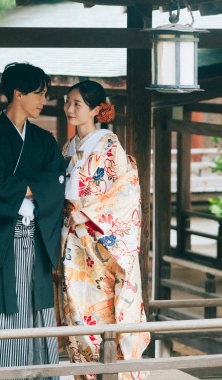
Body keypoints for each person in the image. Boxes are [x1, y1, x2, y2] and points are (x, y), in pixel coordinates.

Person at [0, 62, 66, 380]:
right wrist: (34, 186)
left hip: (35, 239)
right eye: (39, 94)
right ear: (17, 93)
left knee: (37, 309)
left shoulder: (43, 140)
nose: (44, 101)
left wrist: (21, 187)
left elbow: (57, 182)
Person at [58, 80, 150, 380]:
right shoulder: (69, 147)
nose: (69, 109)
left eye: (77, 104)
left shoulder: (109, 145)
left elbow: (125, 193)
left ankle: (112, 375)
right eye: (67, 102)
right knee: (76, 311)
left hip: (98, 242)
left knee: (101, 312)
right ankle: (84, 375)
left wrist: (86, 213)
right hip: (72, 242)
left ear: (97, 110)